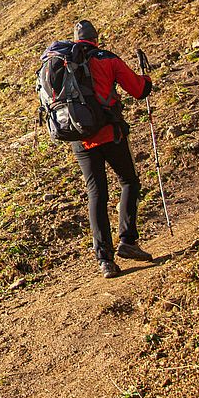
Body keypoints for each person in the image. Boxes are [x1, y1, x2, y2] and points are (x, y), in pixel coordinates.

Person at [68, 20, 154, 279]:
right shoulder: (107, 58)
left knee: (96, 194)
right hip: (108, 133)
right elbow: (139, 90)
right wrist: (147, 78)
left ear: (75, 40)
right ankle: (127, 240)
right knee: (128, 180)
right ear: (96, 39)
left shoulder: (64, 61)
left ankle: (104, 260)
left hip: (80, 138)